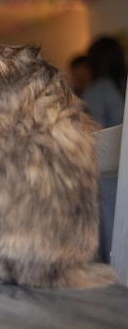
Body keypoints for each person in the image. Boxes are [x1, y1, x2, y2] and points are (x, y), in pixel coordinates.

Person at [81, 35, 127, 263]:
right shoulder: (122, 85)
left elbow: (93, 133)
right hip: (124, 167)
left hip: (107, 173)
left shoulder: (98, 89)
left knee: (111, 230)